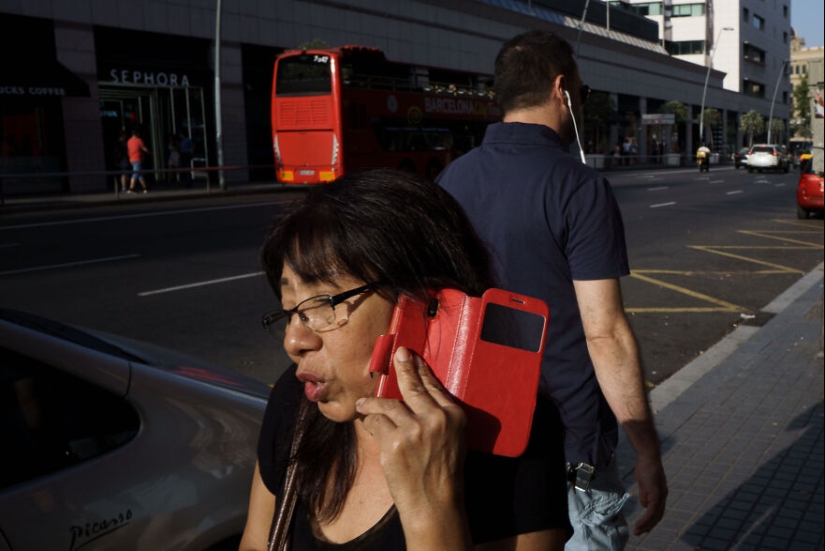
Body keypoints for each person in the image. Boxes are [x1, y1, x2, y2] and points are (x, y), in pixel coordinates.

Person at [239, 168, 572, 550]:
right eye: (290, 309)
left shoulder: (508, 435)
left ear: (423, 303)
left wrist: (431, 508)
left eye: (324, 304)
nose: (294, 340)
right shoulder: (295, 402)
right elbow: (255, 542)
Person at [436, 30, 667, 550]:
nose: (581, 107)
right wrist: (647, 451)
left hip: (476, 428)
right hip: (568, 438)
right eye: (582, 95)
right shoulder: (579, 188)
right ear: (562, 89)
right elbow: (604, 334)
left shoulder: (450, 180)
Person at [127, 127, 150, 193]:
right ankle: (131, 188)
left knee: (139, 174)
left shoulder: (129, 141)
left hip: (132, 159)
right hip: (138, 158)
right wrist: (149, 152)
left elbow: (128, 151)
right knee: (136, 173)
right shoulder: (139, 140)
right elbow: (144, 148)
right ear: (137, 133)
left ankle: (145, 188)